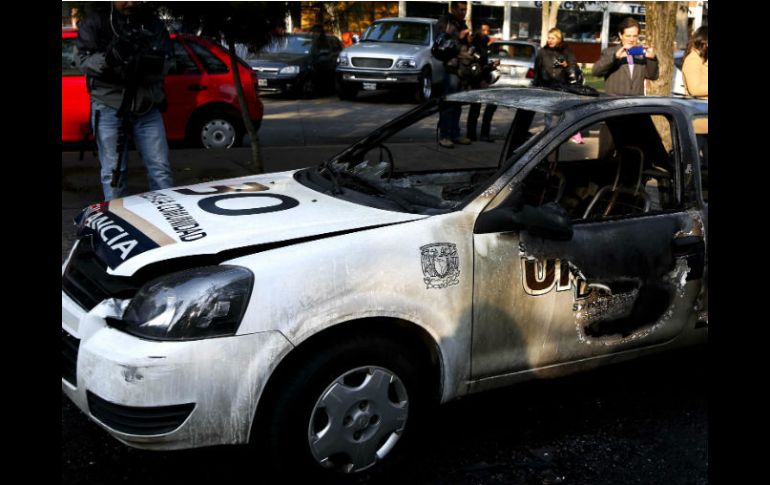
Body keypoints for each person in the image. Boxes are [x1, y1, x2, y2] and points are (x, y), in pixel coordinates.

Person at [76, 1, 174, 201]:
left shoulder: (152, 23)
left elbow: (168, 61)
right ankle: (116, 221)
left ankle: (167, 223)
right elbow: (82, 61)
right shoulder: (96, 22)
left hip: (146, 104)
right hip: (108, 103)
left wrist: (146, 64)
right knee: (113, 172)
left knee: (161, 169)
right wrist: (110, 59)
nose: (131, 2)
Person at [533, 27, 583, 143]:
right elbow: (537, 68)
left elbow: (574, 67)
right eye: (548, 38)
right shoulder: (543, 52)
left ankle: (573, 132)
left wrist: (566, 65)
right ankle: (549, 133)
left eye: (553, 38)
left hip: (563, 85)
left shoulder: (566, 51)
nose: (550, 40)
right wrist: (537, 83)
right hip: (547, 85)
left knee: (565, 110)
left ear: (559, 39)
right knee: (549, 111)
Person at [435, 1, 473, 149]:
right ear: (453, 8)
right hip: (450, 67)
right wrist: (459, 36)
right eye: (461, 9)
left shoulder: (461, 23)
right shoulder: (445, 22)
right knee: (448, 102)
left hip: (462, 68)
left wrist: (469, 40)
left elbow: (463, 45)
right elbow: (441, 42)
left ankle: (455, 134)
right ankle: (444, 135)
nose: (464, 12)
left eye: (466, 10)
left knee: (458, 102)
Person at [592, 17, 658, 96]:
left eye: (634, 36)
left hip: (636, 103)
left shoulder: (641, 54)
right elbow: (596, 71)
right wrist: (615, 57)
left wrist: (652, 58)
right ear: (620, 35)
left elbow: (653, 76)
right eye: (628, 36)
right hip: (615, 103)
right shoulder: (610, 52)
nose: (631, 39)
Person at [466, 22, 498, 142]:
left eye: (488, 31)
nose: (486, 33)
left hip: (483, 78)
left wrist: (491, 66)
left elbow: (482, 64)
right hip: (476, 80)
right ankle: (472, 134)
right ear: (478, 30)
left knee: (487, 106)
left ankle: (482, 133)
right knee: (475, 108)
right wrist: (482, 79)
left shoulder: (484, 44)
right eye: (484, 30)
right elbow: (475, 65)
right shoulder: (474, 44)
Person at [682, 26, 708, 99]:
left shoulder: (701, 59)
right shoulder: (693, 59)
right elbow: (695, 89)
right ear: (704, 42)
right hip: (699, 107)